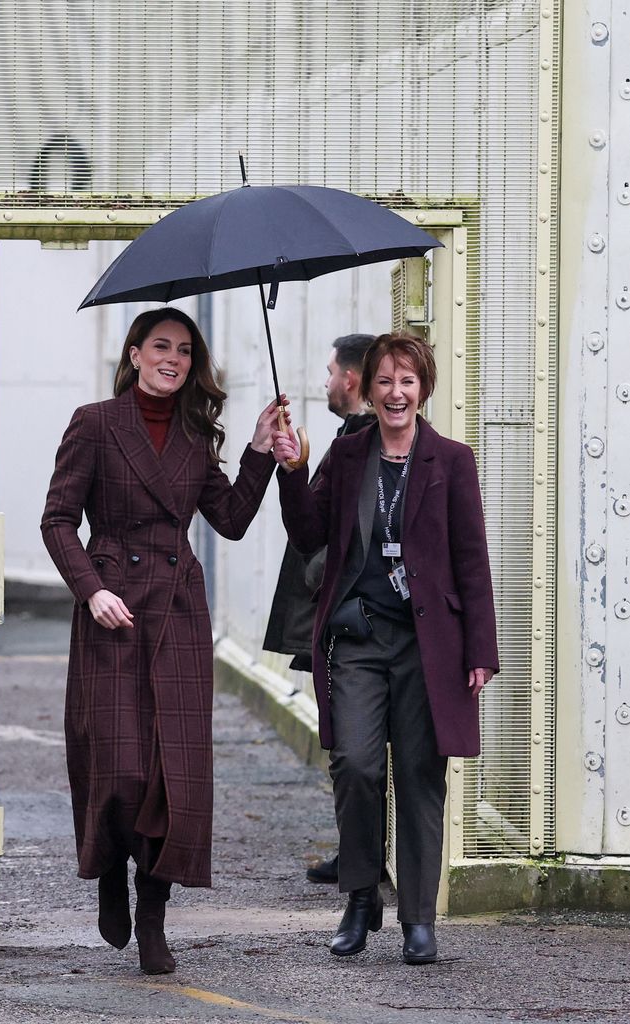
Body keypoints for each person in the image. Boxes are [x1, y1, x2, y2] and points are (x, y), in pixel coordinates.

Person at [41, 306, 283, 975]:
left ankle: (153, 918)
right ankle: (113, 876)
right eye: (161, 347)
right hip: (111, 609)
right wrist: (92, 589)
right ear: (136, 352)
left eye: (183, 350)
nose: (172, 359)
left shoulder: (192, 435)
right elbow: (59, 519)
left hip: (177, 611)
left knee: (169, 777)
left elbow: (229, 520)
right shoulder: (95, 423)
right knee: (119, 768)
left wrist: (261, 449)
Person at [271, 332, 498, 965]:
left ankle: (419, 918)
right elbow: (310, 532)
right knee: (357, 765)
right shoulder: (347, 457)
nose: (396, 394)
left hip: (430, 644)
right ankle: (361, 897)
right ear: (367, 390)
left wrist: (481, 647)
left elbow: (471, 562)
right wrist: (291, 470)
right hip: (360, 637)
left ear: (423, 388)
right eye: (384, 382)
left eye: (408, 381)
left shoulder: (452, 461)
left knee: (423, 775)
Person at [262, 333, 377, 885]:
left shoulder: (363, 442)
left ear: (350, 378)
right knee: (353, 743)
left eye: (331, 371)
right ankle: (359, 850)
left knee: (350, 741)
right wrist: (293, 465)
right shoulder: (347, 439)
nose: (325, 381)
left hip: (347, 615)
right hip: (337, 611)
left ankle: (363, 856)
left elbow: (320, 534)